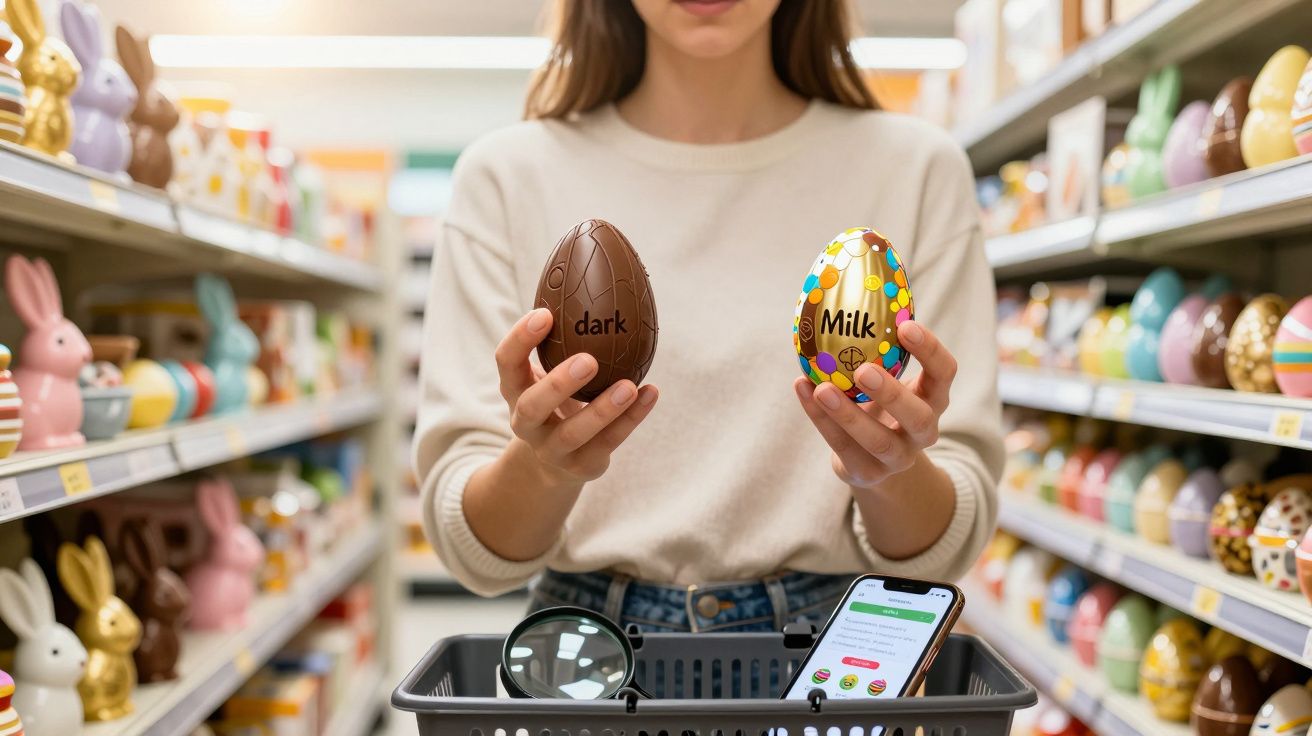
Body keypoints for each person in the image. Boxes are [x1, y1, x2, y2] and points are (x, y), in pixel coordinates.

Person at [414, 0, 1002, 634]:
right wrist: (544, 465)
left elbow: (949, 537)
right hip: (593, 664)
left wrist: (889, 471)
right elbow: (474, 547)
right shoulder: (507, 176)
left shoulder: (916, 171)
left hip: (834, 658)